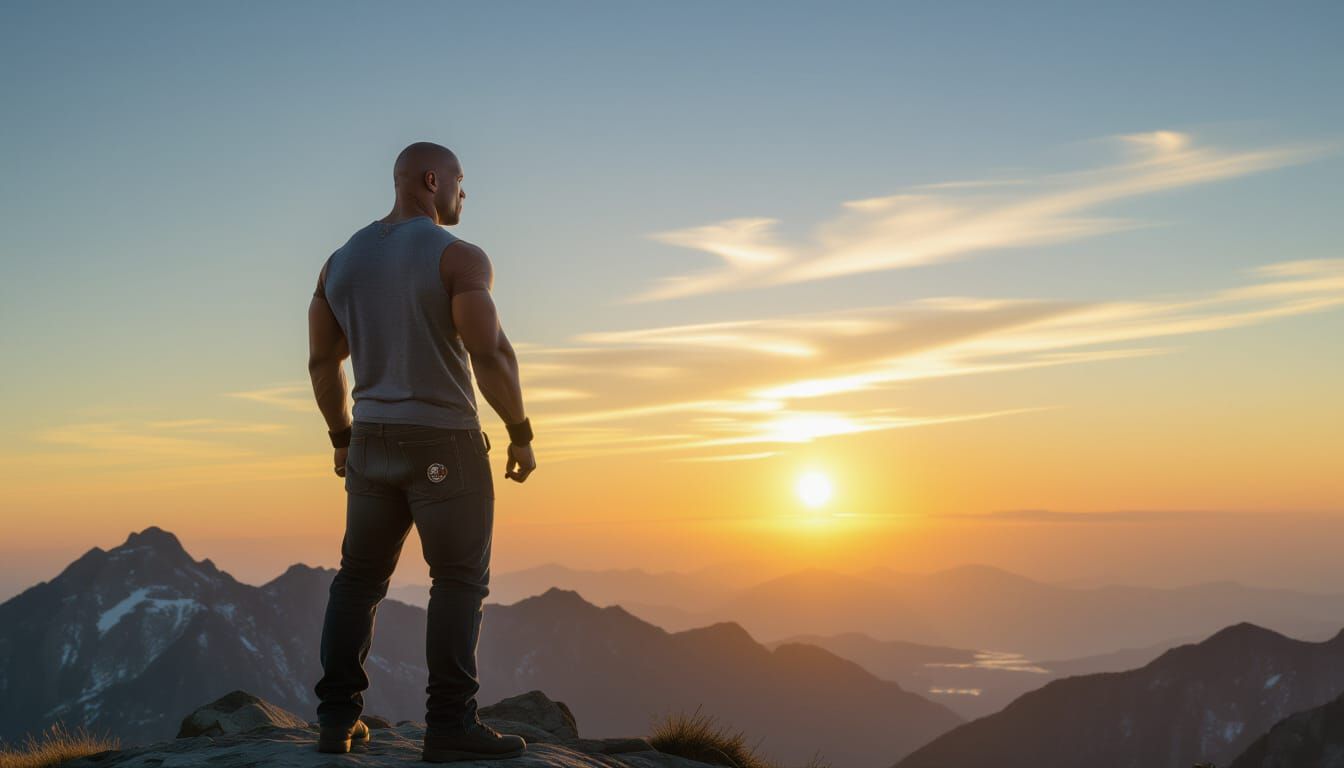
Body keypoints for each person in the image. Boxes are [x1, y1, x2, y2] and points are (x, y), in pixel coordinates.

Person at [306, 141, 536, 761]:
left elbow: (322, 363)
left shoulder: (338, 263)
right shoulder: (459, 258)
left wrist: (341, 437)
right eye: (462, 181)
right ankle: (449, 726)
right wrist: (520, 430)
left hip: (371, 443)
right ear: (432, 180)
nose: (466, 194)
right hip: (445, 446)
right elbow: (489, 354)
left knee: (357, 580)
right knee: (459, 581)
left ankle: (335, 721)